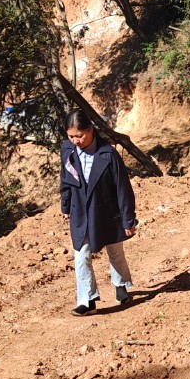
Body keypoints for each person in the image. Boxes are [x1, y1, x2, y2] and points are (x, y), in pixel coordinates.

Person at [60, 109, 137, 316]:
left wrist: (128, 219)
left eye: (79, 135)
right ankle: (88, 300)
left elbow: (123, 188)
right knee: (81, 255)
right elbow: (65, 180)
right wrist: (65, 205)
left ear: (91, 130)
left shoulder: (108, 154)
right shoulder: (66, 150)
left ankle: (121, 286)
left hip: (107, 211)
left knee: (115, 251)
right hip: (80, 213)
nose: (75, 140)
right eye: (71, 136)